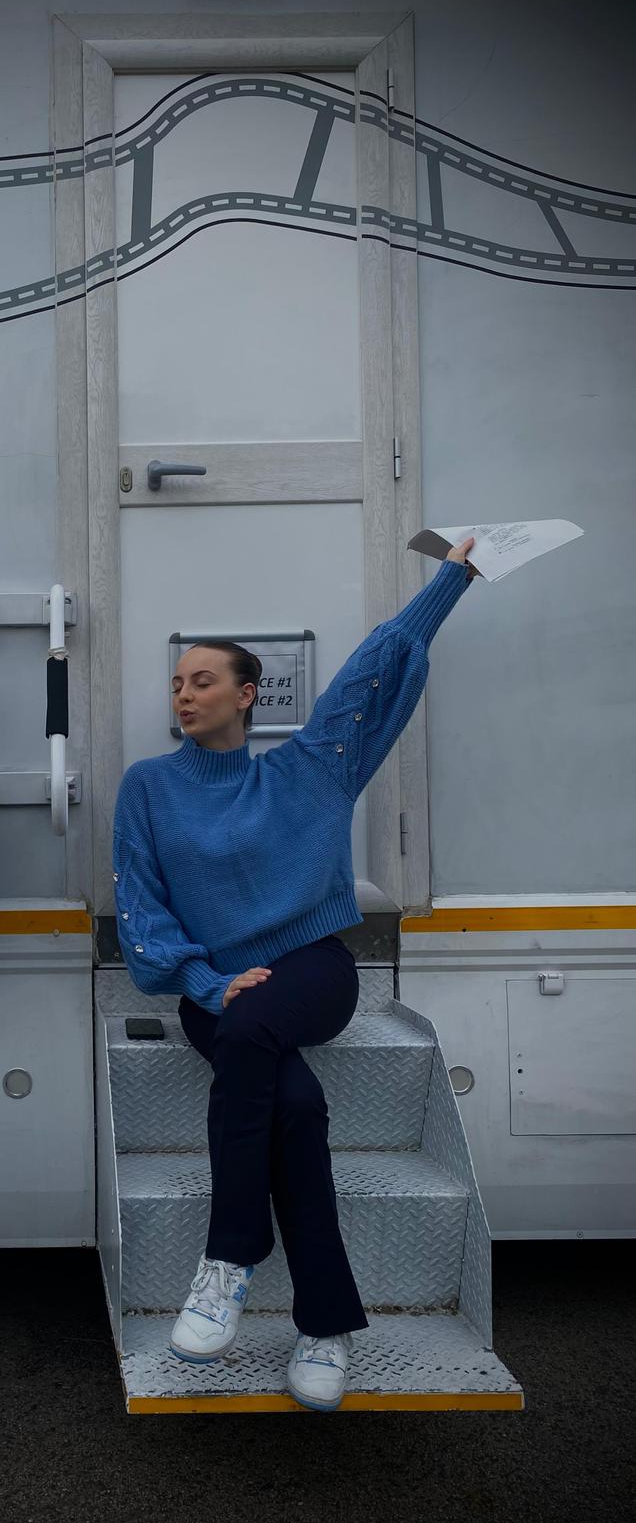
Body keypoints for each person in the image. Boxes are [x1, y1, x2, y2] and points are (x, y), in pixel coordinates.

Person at [112, 537, 478, 1411]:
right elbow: (142, 908)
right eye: (176, 682)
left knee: (256, 1033)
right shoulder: (148, 787)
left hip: (311, 970)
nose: (184, 693)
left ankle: (228, 1257)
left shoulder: (310, 770)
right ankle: (325, 1324)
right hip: (217, 989)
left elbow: (376, 673)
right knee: (298, 1104)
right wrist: (205, 985)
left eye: (204, 680)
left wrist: (453, 579)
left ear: (248, 694)